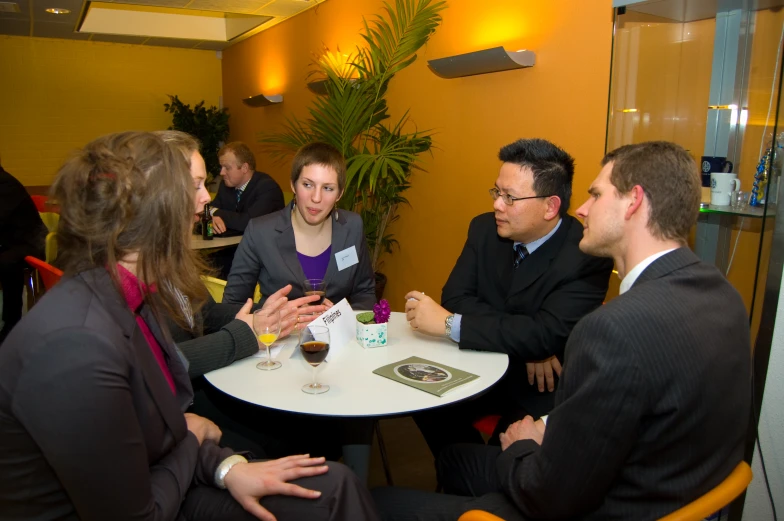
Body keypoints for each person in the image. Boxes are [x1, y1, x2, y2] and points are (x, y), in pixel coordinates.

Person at [0, 131, 381, 521]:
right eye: (195, 186)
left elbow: (159, 429)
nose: (206, 199)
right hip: (162, 497)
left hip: (173, 472)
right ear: (152, 204)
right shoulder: (74, 343)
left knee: (334, 482)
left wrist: (224, 467)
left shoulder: (130, 295)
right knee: (333, 491)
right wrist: (198, 442)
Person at [372, 141, 752, 521]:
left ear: (633, 202)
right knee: (456, 456)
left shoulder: (611, 328)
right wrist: (548, 423)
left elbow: (548, 494)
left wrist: (520, 446)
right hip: (659, 493)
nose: (582, 209)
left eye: (596, 194)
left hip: (587, 505)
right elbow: (634, 407)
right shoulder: (723, 296)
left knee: (376, 501)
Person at [405, 138, 613, 458]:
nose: (497, 205)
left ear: (550, 206)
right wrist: (528, 342)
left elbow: (546, 334)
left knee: (510, 455)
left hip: (542, 385)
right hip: (483, 360)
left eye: (510, 197)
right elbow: (457, 296)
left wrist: (449, 324)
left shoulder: (586, 253)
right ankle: (461, 472)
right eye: (497, 192)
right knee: (422, 397)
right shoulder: (484, 229)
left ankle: (479, 480)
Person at [156, 130, 326, 456]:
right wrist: (245, 332)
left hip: (188, 393)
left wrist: (257, 315)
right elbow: (160, 362)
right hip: (172, 412)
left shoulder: (168, 260)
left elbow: (196, 314)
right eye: (196, 186)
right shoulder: (128, 280)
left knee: (308, 434)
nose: (207, 197)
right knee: (294, 442)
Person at [223, 142, 376, 311]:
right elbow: (232, 305)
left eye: (327, 188)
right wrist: (268, 317)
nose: (316, 198)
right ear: (293, 185)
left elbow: (365, 293)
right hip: (278, 336)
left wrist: (340, 317)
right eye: (307, 185)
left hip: (336, 336)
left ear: (339, 193)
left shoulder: (352, 227)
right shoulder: (260, 232)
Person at [209, 142, 285, 277]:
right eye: (221, 167)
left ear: (244, 168)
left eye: (227, 168)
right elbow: (206, 210)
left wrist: (215, 212)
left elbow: (247, 223)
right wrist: (211, 218)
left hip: (265, 257)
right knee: (199, 266)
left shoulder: (267, 188)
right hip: (235, 250)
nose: (221, 173)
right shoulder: (226, 186)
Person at [0, 157, 47, 343]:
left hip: (32, 244)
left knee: (6, 262)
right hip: (12, 242)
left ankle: (13, 321)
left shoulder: (5, 184)